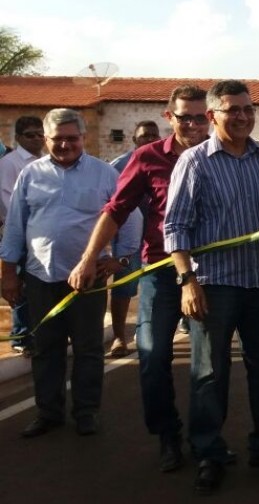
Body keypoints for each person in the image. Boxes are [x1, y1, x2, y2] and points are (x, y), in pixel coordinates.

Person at [164, 80, 259, 495]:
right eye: (232, 110)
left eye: (248, 109)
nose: (243, 116)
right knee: (210, 374)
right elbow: (175, 226)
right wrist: (187, 280)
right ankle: (209, 451)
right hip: (214, 285)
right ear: (212, 116)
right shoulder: (194, 162)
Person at [67, 86, 210, 472]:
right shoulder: (147, 158)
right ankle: (168, 435)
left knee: (207, 367)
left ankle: (205, 443)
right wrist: (88, 258)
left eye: (200, 116)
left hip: (210, 275)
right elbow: (115, 210)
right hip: (161, 274)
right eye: (185, 117)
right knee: (151, 357)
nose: (193, 124)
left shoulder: (221, 155)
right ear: (170, 117)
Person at [0, 108, 140, 438]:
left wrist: (119, 260)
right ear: (46, 140)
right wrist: (7, 272)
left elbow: (129, 217)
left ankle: (86, 411)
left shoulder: (104, 174)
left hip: (88, 281)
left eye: (72, 139)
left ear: (83, 138)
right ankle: (48, 412)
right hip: (39, 276)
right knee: (45, 349)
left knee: (88, 348)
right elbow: (16, 227)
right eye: (57, 139)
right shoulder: (31, 175)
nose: (65, 145)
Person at [105, 120, 161, 358]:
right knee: (124, 287)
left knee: (161, 288)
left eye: (153, 135)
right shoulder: (117, 166)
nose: (148, 139)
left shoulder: (167, 162)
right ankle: (119, 337)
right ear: (134, 140)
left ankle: (149, 331)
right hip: (129, 241)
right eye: (144, 136)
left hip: (159, 238)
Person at [0, 115, 45, 357]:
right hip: (19, 236)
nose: (37, 139)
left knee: (38, 286)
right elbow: (8, 204)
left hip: (41, 238)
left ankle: (37, 333)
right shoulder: (10, 164)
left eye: (41, 134)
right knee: (19, 286)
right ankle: (21, 336)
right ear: (18, 138)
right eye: (31, 135)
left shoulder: (47, 161)